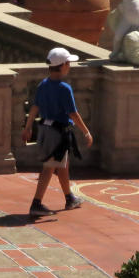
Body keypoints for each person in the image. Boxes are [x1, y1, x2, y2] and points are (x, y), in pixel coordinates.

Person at [21, 47, 93, 218]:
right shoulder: (64, 88)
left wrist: (28, 126)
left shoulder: (43, 85)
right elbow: (73, 114)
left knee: (62, 164)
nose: (69, 66)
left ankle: (69, 198)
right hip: (57, 133)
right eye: (68, 63)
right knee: (49, 167)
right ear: (63, 65)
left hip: (45, 129)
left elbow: (35, 107)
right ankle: (36, 203)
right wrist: (86, 132)